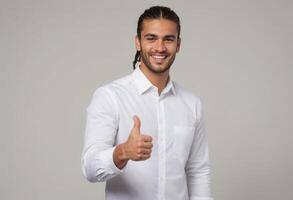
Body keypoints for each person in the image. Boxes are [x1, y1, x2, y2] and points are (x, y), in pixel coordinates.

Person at [81, 6, 213, 200]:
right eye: (151, 38)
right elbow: (90, 168)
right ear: (138, 42)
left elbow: (197, 171)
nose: (160, 47)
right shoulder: (110, 96)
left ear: (178, 44)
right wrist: (122, 152)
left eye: (168, 39)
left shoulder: (192, 104)